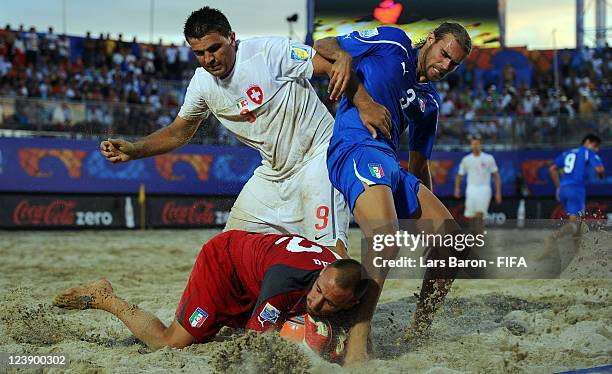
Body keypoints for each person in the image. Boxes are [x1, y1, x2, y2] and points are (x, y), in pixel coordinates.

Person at [99, 7, 390, 257]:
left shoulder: (268, 52)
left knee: (328, 254)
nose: (208, 59)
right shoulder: (201, 84)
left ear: (232, 39)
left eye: (215, 48)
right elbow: (179, 132)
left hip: (319, 157)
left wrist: (365, 104)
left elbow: (330, 65)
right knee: (228, 251)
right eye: (199, 53)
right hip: (273, 174)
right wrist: (136, 150)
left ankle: (339, 321)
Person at [314, 23, 471, 364]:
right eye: (444, 54)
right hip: (356, 146)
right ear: (429, 40)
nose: (446, 66)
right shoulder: (394, 42)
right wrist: (344, 60)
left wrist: (422, 221)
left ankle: (419, 328)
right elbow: (323, 44)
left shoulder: (429, 102)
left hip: (390, 166)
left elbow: (419, 165)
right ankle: (355, 346)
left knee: (453, 245)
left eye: (454, 64)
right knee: (386, 238)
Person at [53, 230, 368, 352]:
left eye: (329, 302)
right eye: (318, 291)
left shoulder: (339, 267)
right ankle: (105, 297)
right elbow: (255, 345)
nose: (317, 300)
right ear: (321, 274)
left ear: (352, 299)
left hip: (256, 271)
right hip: (224, 265)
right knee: (171, 342)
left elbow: (337, 248)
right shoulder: (284, 285)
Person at [550, 134, 605, 225]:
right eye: (595, 146)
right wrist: (601, 175)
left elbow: (553, 169)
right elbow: (599, 169)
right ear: (587, 142)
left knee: (576, 218)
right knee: (575, 219)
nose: (596, 149)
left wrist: (559, 187)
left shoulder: (567, 152)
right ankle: (554, 238)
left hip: (563, 188)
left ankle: (575, 239)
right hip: (576, 188)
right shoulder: (587, 152)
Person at [454, 135, 502, 233]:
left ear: (481, 145)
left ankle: (479, 233)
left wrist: (498, 193)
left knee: (480, 213)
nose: (475, 146)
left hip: (484, 189)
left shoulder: (489, 158)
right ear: (471, 145)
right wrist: (457, 189)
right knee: (471, 215)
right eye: (473, 144)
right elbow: (459, 175)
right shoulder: (466, 159)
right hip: (471, 189)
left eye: (477, 144)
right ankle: (473, 233)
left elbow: (496, 176)